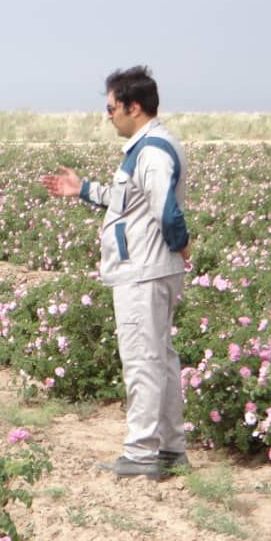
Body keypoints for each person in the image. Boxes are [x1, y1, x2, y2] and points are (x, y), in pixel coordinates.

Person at [41, 66, 191, 480]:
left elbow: (164, 206)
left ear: (134, 107)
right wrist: (83, 189)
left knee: (143, 361)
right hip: (148, 267)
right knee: (160, 358)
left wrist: (180, 241)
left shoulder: (154, 151)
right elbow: (127, 201)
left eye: (112, 108)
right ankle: (170, 450)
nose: (108, 116)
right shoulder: (144, 149)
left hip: (144, 270)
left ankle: (142, 454)